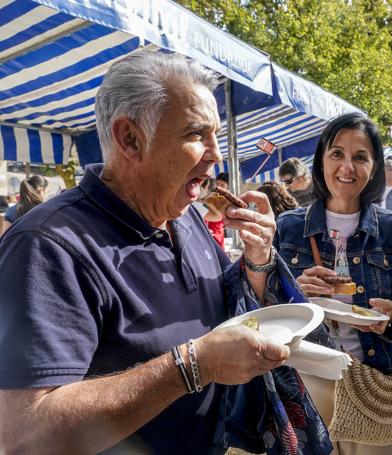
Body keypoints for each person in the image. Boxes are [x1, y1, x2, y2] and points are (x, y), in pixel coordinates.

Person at [0, 50, 318, 454]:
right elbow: (24, 435)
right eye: (195, 134)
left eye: (216, 134)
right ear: (129, 139)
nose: (216, 153)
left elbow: (227, 300)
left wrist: (258, 262)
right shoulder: (46, 246)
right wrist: (191, 365)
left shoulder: (185, 216)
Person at [274, 113, 392, 455]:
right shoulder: (289, 227)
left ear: (374, 167)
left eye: (360, 157)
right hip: (306, 381)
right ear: (322, 160)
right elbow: (265, 309)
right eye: (337, 154)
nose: (347, 166)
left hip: (374, 384)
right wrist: (296, 288)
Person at [203, 172, 229, 248]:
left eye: (222, 185)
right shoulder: (211, 196)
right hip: (207, 230)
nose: (219, 186)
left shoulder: (227, 201)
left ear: (228, 186)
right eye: (217, 183)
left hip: (218, 231)